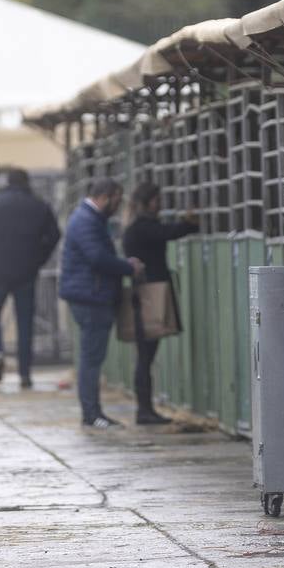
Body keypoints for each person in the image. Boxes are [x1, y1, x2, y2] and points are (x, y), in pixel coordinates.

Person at [0, 168, 61, 389]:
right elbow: (55, 234)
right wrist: (39, 258)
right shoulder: (39, 205)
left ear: (7, 182)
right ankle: (25, 374)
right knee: (25, 322)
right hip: (26, 272)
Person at [59, 177, 143, 429]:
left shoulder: (87, 219)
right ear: (104, 197)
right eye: (116, 200)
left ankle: (92, 412)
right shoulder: (86, 221)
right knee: (91, 358)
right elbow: (97, 257)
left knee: (92, 357)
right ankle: (91, 414)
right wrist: (127, 267)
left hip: (90, 294)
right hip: (91, 297)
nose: (118, 206)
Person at [121, 182, 198, 425]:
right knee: (146, 355)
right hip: (149, 295)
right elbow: (168, 232)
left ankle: (145, 409)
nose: (160, 204)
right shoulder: (142, 227)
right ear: (146, 202)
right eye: (156, 199)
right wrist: (190, 223)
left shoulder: (136, 226)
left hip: (145, 293)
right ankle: (144, 411)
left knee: (145, 355)